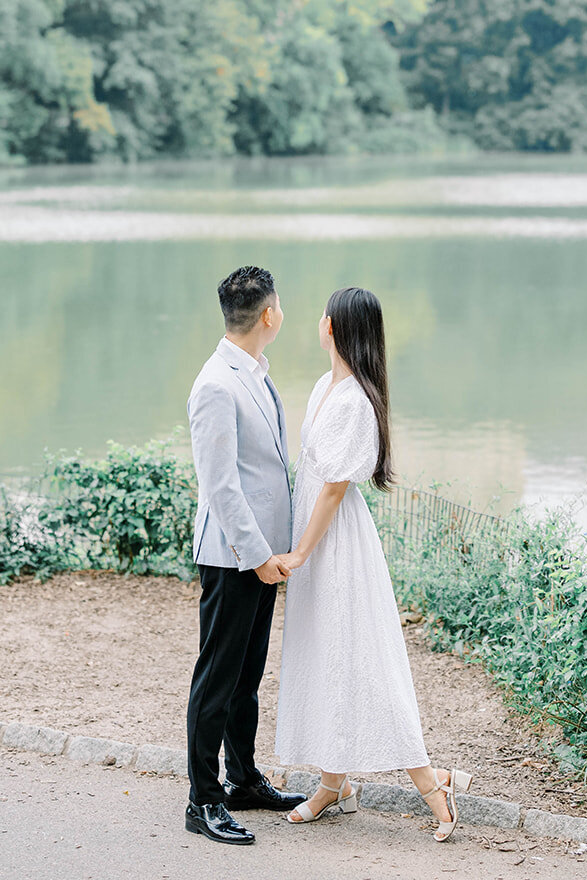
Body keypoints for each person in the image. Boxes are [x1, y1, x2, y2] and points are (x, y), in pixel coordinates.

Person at [275, 286, 473, 842]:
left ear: (334, 327)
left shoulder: (354, 399)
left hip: (334, 544)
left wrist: (301, 552)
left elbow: (335, 489)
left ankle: (433, 785)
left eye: (323, 314)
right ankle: (332, 782)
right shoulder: (325, 387)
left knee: (363, 658)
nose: (317, 321)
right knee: (326, 656)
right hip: (317, 537)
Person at [184, 265, 306, 845]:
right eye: (280, 304)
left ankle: (243, 780)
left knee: (247, 676)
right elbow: (222, 486)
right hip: (233, 555)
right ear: (268, 315)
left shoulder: (256, 373)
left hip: (263, 556)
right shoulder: (215, 383)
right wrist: (258, 556)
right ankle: (202, 800)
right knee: (217, 677)